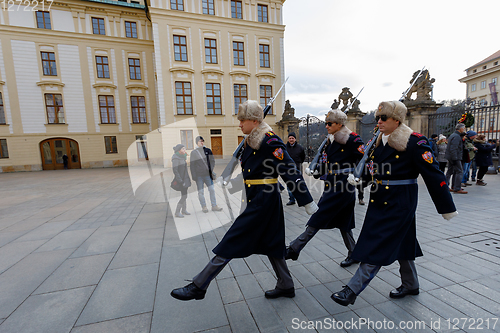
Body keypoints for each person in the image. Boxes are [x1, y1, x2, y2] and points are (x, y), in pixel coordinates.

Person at [170, 100, 319, 301]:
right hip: (259, 198)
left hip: (264, 202)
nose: (239, 124)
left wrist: (306, 200)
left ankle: (199, 284)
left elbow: (289, 169)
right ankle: (286, 284)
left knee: (233, 239)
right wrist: (230, 183)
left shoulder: (270, 140)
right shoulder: (252, 140)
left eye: (242, 120)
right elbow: (252, 172)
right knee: (273, 243)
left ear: (254, 120)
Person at [331, 101, 457, 306]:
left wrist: (446, 207)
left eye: (383, 118)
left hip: (400, 201)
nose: (378, 122)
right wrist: (361, 179)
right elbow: (373, 170)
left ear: (397, 120)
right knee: (403, 241)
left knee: (379, 244)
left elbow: (433, 174)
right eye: (377, 118)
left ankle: (352, 290)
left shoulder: (414, 142)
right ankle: (411, 284)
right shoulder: (379, 141)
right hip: (380, 199)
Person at [285, 109, 364, 267]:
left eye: (330, 123)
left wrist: (359, 176)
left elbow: (365, 159)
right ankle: (354, 253)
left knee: (318, 215)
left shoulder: (352, 139)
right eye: (326, 123)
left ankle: (295, 247)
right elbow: (328, 163)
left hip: (343, 185)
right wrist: (316, 170)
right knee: (344, 222)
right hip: (333, 183)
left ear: (339, 124)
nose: (326, 126)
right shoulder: (330, 140)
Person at [190, 136, 223, 213]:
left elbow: (212, 161)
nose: (201, 142)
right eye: (199, 141)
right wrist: (194, 176)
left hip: (208, 175)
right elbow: (192, 165)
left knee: (211, 190)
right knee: (201, 192)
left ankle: (214, 206)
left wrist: (210, 170)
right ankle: (204, 206)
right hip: (199, 176)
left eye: (202, 141)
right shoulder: (194, 153)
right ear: (196, 143)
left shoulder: (208, 150)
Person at [445, 123, 467, 194]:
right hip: (455, 157)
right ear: (461, 129)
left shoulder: (453, 135)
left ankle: (447, 186)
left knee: (450, 171)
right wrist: (455, 158)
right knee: (459, 171)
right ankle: (457, 188)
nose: (464, 130)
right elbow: (454, 148)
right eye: (464, 128)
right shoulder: (457, 136)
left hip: (451, 156)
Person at [284, 132, 306, 205]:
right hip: (287, 169)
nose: (291, 139)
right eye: (290, 138)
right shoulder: (284, 147)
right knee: (289, 185)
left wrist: (299, 163)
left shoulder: (300, 148)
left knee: (299, 184)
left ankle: (302, 199)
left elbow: (303, 157)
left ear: (295, 139)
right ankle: (292, 199)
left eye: (292, 138)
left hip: (297, 168)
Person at [172, 144, 192, 218]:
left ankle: (184, 210)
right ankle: (177, 212)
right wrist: (180, 180)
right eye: (183, 149)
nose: (184, 150)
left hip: (185, 179)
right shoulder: (176, 158)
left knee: (184, 195)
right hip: (181, 180)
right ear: (179, 150)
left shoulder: (182, 157)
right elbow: (175, 170)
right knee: (184, 196)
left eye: (184, 149)